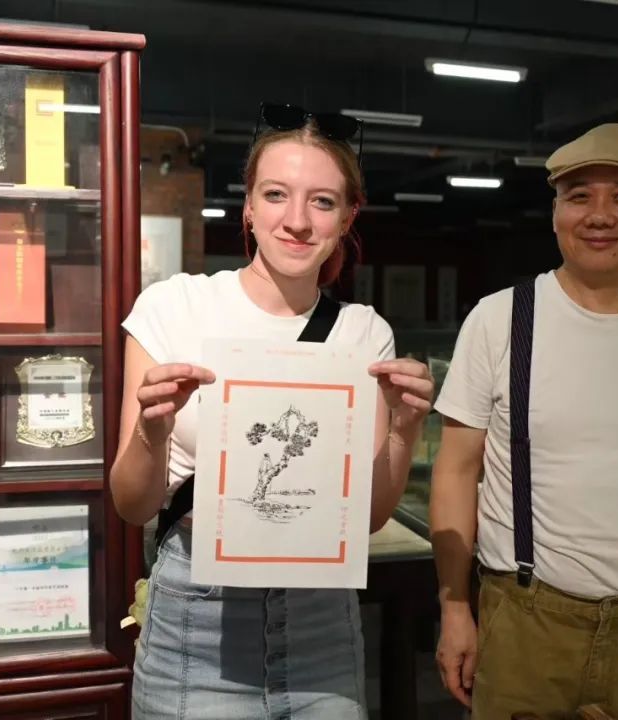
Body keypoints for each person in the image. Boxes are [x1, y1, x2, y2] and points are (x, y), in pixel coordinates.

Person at [111, 103, 435, 719]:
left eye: (322, 202)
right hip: (197, 618)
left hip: (322, 622)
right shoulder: (174, 308)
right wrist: (152, 432)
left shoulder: (364, 333)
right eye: (276, 194)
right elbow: (132, 506)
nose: (297, 221)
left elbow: (366, 518)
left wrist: (405, 429)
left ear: (348, 217)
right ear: (249, 207)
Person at [429, 123, 618, 719]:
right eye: (579, 195)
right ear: (556, 212)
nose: (599, 215)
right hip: (523, 621)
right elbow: (456, 469)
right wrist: (455, 608)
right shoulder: (500, 319)